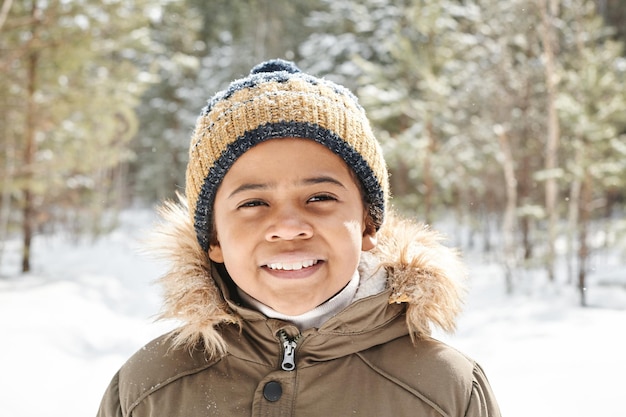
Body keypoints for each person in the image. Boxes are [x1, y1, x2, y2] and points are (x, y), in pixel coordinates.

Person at [97, 59, 501, 417]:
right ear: (214, 238)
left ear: (367, 225)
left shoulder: (444, 390)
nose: (289, 226)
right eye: (254, 203)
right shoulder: (148, 390)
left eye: (320, 197)